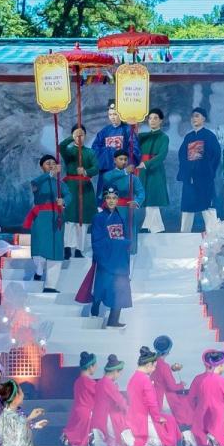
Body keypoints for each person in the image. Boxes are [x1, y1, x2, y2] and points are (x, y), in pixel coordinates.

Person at [86, 183, 133, 328]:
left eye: (114, 198)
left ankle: (113, 320)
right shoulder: (98, 218)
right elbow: (97, 241)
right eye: (108, 198)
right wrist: (119, 243)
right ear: (104, 200)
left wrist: (124, 244)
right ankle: (94, 311)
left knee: (120, 288)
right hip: (105, 259)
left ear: (118, 200)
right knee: (103, 287)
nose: (111, 201)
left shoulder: (122, 217)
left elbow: (127, 238)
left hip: (120, 260)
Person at [20, 153, 68, 290]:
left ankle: (50, 286)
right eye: (48, 163)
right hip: (41, 218)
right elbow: (36, 185)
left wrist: (64, 201)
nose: (51, 165)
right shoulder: (37, 182)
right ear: (42, 167)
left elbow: (68, 195)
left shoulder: (61, 184)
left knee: (55, 250)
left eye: (53, 163)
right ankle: (39, 269)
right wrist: (51, 174)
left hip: (56, 218)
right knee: (39, 248)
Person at [123, 348, 181, 446]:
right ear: (149, 365)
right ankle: (135, 441)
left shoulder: (133, 378)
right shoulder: (145, 380)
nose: (154, 369)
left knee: (169, 419)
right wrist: (157, 418)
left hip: (133, 417)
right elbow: (152, 403)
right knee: (167, 434)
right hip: (144, 418)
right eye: (154, 366)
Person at [58, 122, 99, 257]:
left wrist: (86, 171)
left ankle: (79, 249)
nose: (79, 137)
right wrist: (72, 137)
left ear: (86, 136)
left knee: (83, 220)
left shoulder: (90, 152)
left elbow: (96, 168)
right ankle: (67, 247)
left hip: (85, 188)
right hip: (71, 187)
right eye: (76, 135)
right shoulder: (69, 151)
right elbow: (61, 147)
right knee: (70, 219)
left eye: (82, 135)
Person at [177, 107, 222, 233]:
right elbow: (182, 156)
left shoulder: (209, 136)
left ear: (204, 119)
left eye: (197, 116)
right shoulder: (188, 137)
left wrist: (209, 172)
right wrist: (187, 173)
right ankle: (184, 235)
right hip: (190, 178)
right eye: (192, 116)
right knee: (187, 207)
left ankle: (213, 234)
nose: (194, 119)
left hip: (204, 177)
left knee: (207, 206)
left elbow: (216, 156)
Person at [63, 351, 117, 446]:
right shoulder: (88, 382)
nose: (96, 367)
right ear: (90, 367)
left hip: (78, 412)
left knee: (80, 442)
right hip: (86, 413)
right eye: (95, 365)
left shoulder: (78, 381)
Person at [0, 380, 46, 446]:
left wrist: (29, 419)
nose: (23, 395)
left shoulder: (5, 416)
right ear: (16, 396)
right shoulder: (12, 418)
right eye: (22, 392)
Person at [99, 147, 145, 251]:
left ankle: (129, 255)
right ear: (114, 160)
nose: (123, 162)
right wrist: (124, 172)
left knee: (128, 234)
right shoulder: (109, 175)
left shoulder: (133, 178)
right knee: (112, 234)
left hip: (127, 210)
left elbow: (141, 192)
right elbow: (107, 178)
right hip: (111, 209)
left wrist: (136, 201)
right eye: (121, 159)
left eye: (125, 159)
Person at [149, 335, 195, 438]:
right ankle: (180, 434)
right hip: (164, 398)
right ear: (168, 351)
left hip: (155, 395)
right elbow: (171, 386)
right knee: (185, 407)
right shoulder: (164, 366)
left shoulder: (152, 363)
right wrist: (181, 385)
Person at [138, 107, 174, 233]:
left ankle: (149, 226)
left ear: (161, 121)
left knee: (153, 199)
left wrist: (146, 164)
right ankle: (155, 227)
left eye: (155, 118)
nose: (152, 121)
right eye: (150, 118)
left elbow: (162, 155)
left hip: (155, 170)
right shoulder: (143, 136)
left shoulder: (164, 137)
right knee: (147, 199)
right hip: (143, 171)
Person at [91, 102, 140, 171]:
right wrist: (108, 152)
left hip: (122, 168)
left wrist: (127, 162)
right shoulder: (104, 131)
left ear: (121, 114)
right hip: (107, 168)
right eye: (110, 114)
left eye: (115, 114)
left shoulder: (128, 130)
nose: (112, 117)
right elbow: (94, 148)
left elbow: (135, 149)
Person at [94, 354, 130, 446]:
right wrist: (129, 411)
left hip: (98, 417)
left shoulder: (100, 382)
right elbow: (120, 401)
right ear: (114, 371)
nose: (119, 375)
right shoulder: (108, 383)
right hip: (107, 417)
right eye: (119, 373)